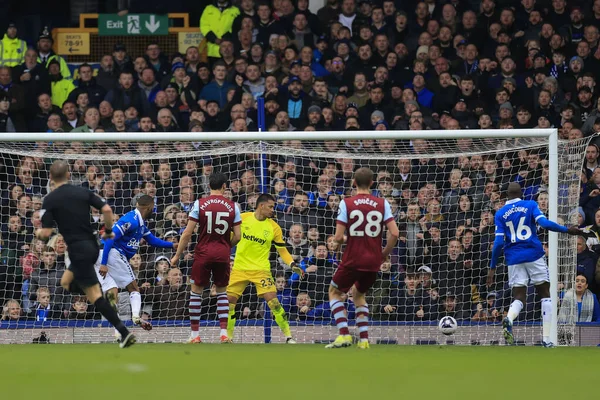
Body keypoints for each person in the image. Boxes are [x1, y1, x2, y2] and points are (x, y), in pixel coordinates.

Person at [35, 160, 135, 348]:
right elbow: (106, 209)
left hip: (78, 251)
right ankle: (100, 294)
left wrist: (38, 233)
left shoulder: (50, 199)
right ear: (68, 176)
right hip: (92, 246)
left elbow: (46, 233)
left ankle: (124, 332)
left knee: (95, 296)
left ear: (50, 177)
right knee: (65, 282)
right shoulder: (82, 191)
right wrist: (107, 230)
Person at [488, 182, 587, 347]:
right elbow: (545, 224)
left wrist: (492, 267)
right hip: (533, 254)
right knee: (545, 293)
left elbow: (498, 243)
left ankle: (509, 318)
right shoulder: (530, 205)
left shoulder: (500, 213)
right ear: (521, 194)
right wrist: (567, 229)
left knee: (519, 296)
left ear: (506, 195)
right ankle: (547, 339)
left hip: (513, 258)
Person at [326, 167, 399, 349]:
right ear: (373, 184)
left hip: (353, 258)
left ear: (354, 183)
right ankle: (364, 340)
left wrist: (342, 242)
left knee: (334, 292)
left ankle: (344, 335)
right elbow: (395, 233)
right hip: (373, 261)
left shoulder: (347, 203)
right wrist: (383, 254)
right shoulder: (383, 203)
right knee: (359, 295)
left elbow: (337, 237)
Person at [170, 172, 242, 343]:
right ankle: (224, 333)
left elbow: (187, 233)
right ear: (225, 186)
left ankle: (195, 335)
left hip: (202, 253)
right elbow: (238, 236)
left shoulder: (199, 204)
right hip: (222, 254)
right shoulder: (233, 206)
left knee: (196, 292)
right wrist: (225, 247)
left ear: (209, 186)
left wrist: (177, 255)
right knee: (222, 292)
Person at [226, 193, 304, 343]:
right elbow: (228, 238)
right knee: (229, 303)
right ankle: (228, 337)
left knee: (273, 302)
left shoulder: (274, 227)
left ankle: (288, 336)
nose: (272, 210)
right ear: (261, 206)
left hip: (261, 270)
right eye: (270, 206)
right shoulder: (242, 218)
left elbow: (282, 250)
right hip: (240, 268)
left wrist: (293, 264)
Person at [96, 194, 176, 335]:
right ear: (148, 207)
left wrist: (173, 245)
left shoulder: (140, 224)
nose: (154, 210)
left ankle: (117, 331)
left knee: (112, 291)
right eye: (153, 208)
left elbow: (153, 241)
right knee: (134, 288)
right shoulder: (130, 220)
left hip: (99, 255)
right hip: (110, 254)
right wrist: (104, 263)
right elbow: (109, 238)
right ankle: (136, 317)